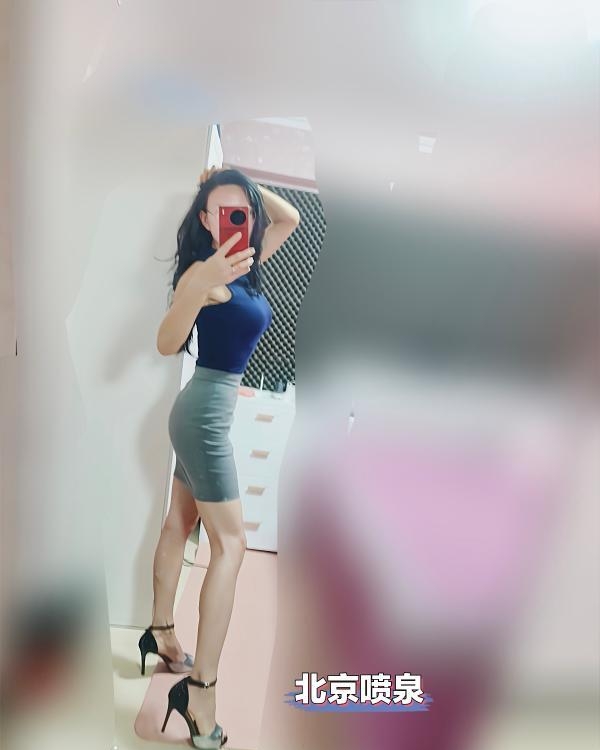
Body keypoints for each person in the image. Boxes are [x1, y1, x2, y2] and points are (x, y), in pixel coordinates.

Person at [138, 166, 300, 749]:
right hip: (204, 416)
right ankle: (200, 693)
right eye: (223, 211)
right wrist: (198, 284)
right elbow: (166, 341)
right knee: (232, 545)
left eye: (244, 212)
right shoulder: (204, 274)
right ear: (205, 220)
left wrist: (239, 180)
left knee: (179, 523)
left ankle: (162, 634)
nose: (238, 220)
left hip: (204, 410)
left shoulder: (246, 262)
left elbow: (290, 217)